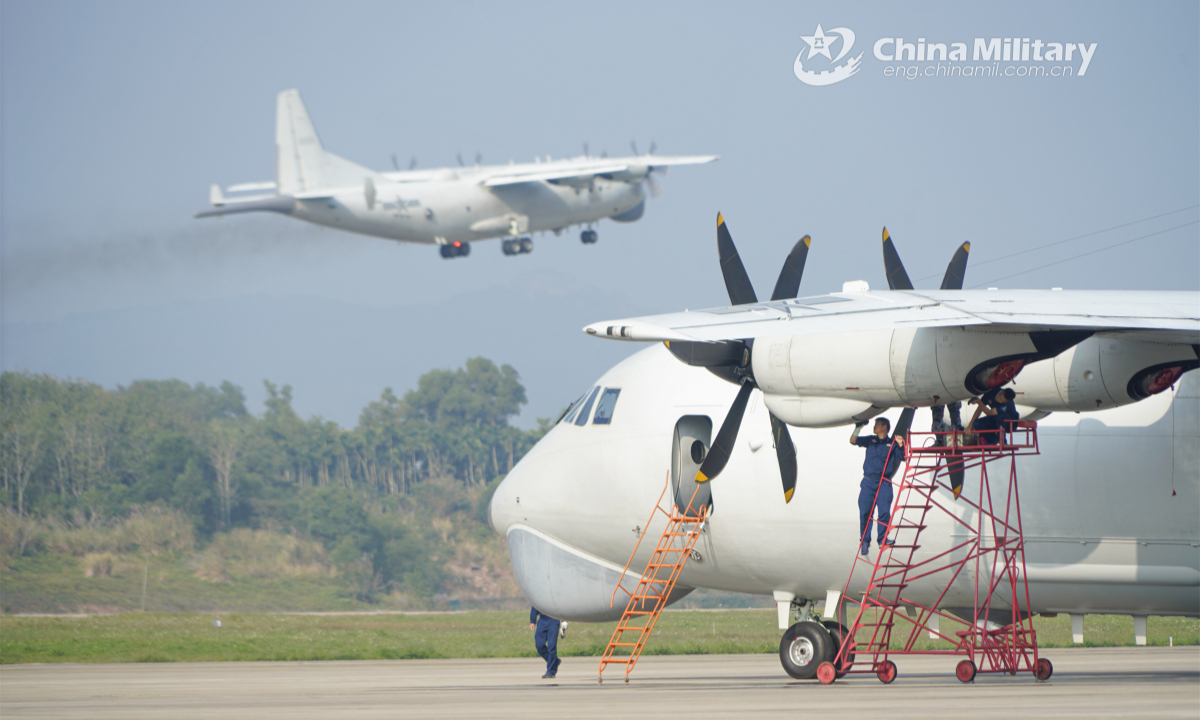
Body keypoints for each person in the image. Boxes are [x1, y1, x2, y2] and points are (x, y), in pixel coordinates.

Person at [849, 418, 905, 556]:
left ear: (884, 427)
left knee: (884, 512)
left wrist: (900, 445)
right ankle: (865, 542)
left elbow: (902, 457)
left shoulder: (892, 444)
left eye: (877, 425)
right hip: (869, 481)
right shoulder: (870, 440)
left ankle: (883, 539)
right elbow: (853, 440)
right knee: (865, 513)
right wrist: (858, 428)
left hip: (884, 482)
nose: (874, 427)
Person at [529, 606, 561, 678]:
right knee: (539, 645)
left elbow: (560, 605)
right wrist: (532, 621)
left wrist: (564, 621)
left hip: (553, 620)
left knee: (551, 646)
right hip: (542, 621)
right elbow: (535, 604)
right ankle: (555, 661)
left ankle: (551, 671)